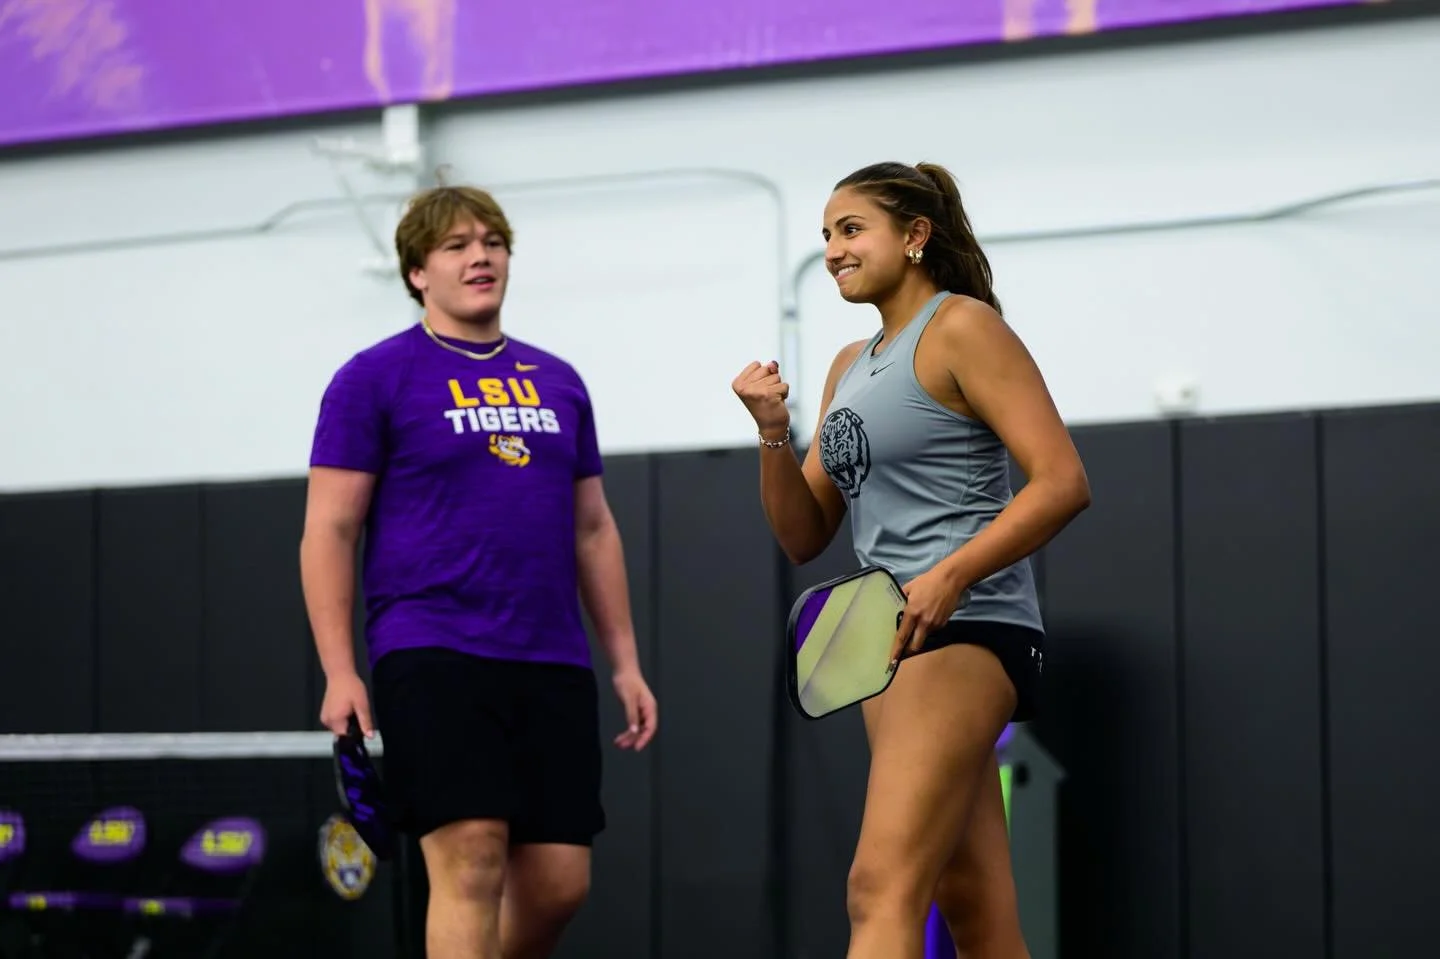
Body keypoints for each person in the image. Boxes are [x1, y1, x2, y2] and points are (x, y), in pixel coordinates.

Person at [731, 161, 1090, 959]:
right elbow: (803, 532)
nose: (831, 250)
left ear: (916, 236)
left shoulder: (963, 327)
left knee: (879, 885)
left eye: (851, 228)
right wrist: (771, 431)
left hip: (966, 627)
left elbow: (1063, 481)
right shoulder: (847, 368)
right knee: (974, 902)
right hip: (884, 645)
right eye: (826, 234)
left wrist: (952, 574)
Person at [300, 182, 658, 959]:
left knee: (561, 882)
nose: (480, 256)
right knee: (470, 862)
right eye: (457, 245)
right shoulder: (374, 378)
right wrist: (339, 670)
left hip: (549, 655)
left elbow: (593, 528)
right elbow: (329, 527)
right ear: (417, 272)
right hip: (432, 648)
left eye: (492, 241)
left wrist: (624, 661)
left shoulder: (558, 381)